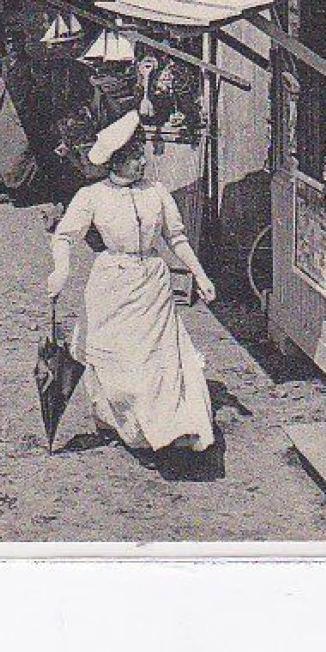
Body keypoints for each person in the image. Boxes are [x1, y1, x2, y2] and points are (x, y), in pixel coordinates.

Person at [46, 110, 219, 457]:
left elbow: (177, 237)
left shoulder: (156, 192)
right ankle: (125, 424)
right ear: (115, 162)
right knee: (116, 359)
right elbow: (64, 236)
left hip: (153, 284)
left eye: (141, 155)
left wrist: (200, 275)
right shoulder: (93, 196)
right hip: (112, 284)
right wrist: (60, 270)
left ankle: (169, 427)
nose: (142, 163)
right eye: (134, 158)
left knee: (159, 358)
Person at [0, 32, 40, 203]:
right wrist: (0, 92)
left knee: (21, 153)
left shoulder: (31, 64)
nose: (13, 47)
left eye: (17, 43)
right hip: (6, 112)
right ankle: (1, 189)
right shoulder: (4, 63)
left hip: (24, 115)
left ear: (23, 44)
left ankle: (21, 192)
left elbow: (39, 86)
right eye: (9, 43)